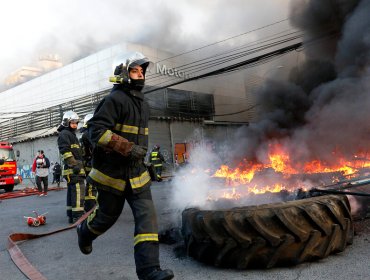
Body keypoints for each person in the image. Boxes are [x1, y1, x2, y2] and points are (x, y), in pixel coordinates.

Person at [77, 52, 174, 280]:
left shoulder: (143, 104)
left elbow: (140, 141)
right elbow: (96, 131)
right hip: (113, 175)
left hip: (137, 175)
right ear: (122, 73)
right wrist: (128, 149)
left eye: (142, 71)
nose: (140, 75)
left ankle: (149, 270)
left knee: (147, 217)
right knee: (106, 217)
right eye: (134, 71)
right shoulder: (114, 100)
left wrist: (144, 161)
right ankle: (85, 232)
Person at [57, 111, 86, 223]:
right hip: (73, 169)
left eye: (76, 123)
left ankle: (71, 214)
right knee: (78, 191)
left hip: (73, 169)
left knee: (72, 192)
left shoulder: (71, 134)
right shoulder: (64, 134)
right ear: (66, 122)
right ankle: (78, 216)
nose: (75, 125)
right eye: (72, 122)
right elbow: (65, 151)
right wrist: (75, 165)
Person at [79, 113, 97, 212]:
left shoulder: (84, 134)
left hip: (86, 162)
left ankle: (90, 205)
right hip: (90, 163)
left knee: (91, 185)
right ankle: (90, 207)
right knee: (91, 185)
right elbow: (95, 148)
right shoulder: (89, 134)